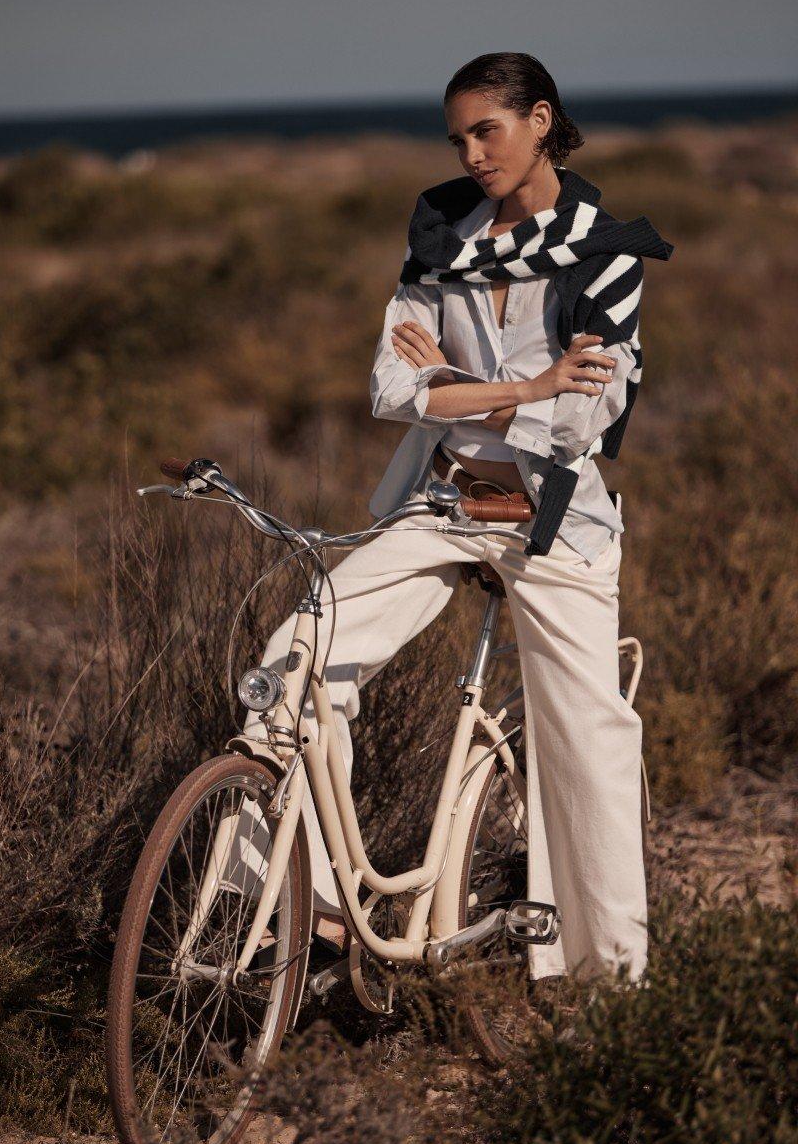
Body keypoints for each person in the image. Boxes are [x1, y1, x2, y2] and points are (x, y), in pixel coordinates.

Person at [242, 52, 673, 985]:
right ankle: (304, 906)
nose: (473, 153)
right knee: (290, 664)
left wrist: (452, 382)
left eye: (489, 130)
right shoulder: (441, 232)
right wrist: (522, 383)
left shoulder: (608, 253)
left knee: (586, 742)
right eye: (458, 137)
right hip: (441, 507)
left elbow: (582, 420)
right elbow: (389, 388)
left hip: (553, 522)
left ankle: (609, 987)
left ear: (542, 119)